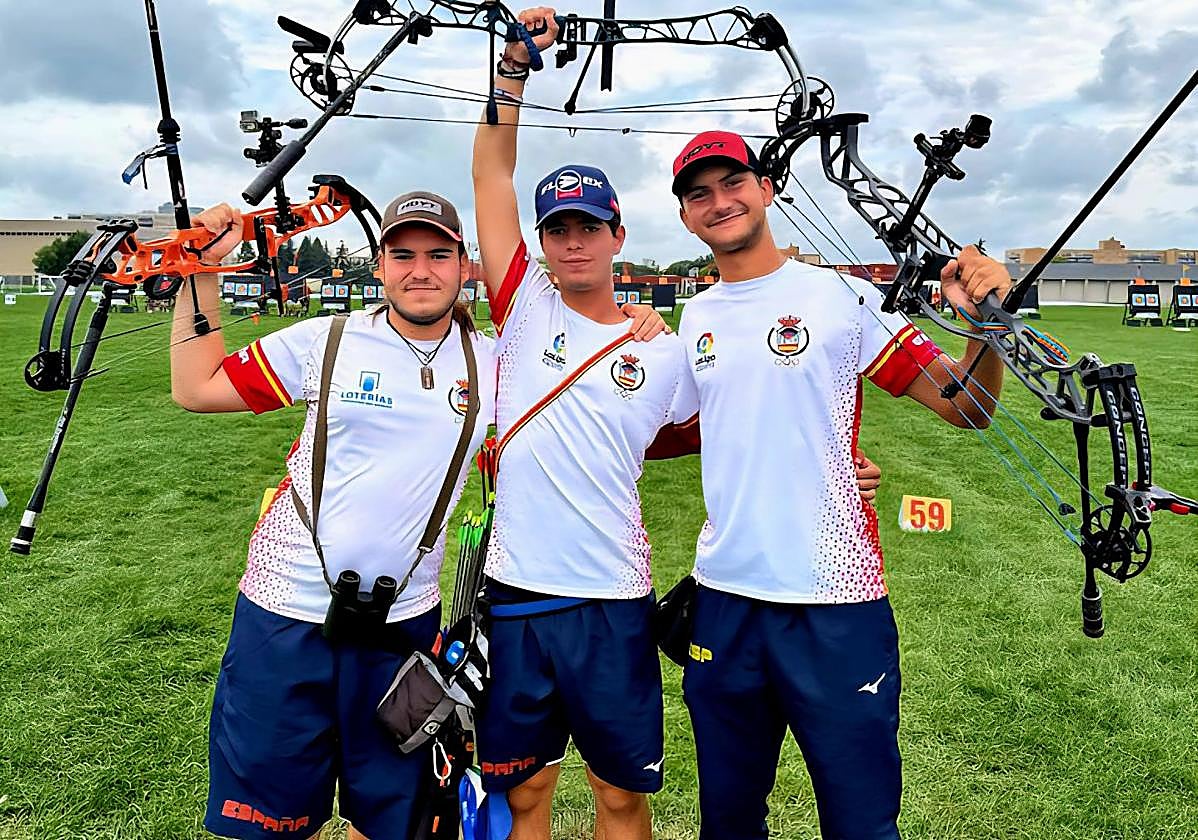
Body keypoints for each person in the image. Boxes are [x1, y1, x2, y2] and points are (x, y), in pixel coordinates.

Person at [470, 10, 884, 840]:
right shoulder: (521, 307)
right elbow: (491, 176)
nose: (574, 244)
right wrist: (511, 73)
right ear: (542, 243)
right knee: (524, 795)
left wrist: (840, 458)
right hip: (514, 590)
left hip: (615, 597)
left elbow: (734, 417)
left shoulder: (667, 349)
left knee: (622, 797)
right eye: (558, 230)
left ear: (618, 235)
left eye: (589, 227)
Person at [666, 129, 1013, 839]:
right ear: (685, 216)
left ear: (766, 189)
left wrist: (985, 326)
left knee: (861, 825)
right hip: (725, 603)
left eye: (733, 183)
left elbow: (967, 406)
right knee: (727, 822)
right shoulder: (694, 315)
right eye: (699, 194)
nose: (719, 201)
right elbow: (682, 426)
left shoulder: (842, 296)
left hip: (835, 602)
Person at [171, 191, 496, 840]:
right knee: (270, 825)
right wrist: (200, 268)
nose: (421, 271)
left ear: (465, 266)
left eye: (439, 255)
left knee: (395, 823)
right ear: (380, 266)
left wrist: (634, 319)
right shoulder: (328, 340)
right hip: (285, 613)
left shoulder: (493, 361)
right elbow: (197, 387)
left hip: (405, 624)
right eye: (403, 255)